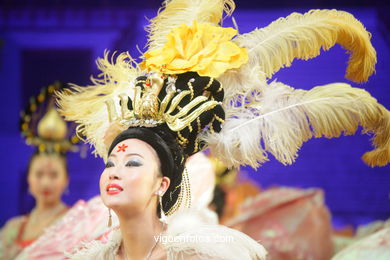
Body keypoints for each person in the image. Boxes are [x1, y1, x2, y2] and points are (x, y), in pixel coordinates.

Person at [57, 0, 389, 259]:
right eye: (111, 163)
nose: (114, 172)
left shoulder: (202, 255)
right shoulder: (89, 255)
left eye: (132, 163)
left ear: (162, 184)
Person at [0, 82, 80, 259]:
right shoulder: (13, 228)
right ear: (28, 178)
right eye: (39, 174)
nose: (46, 182)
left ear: (66, 179)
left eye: (53, 175)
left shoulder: (76, 223)